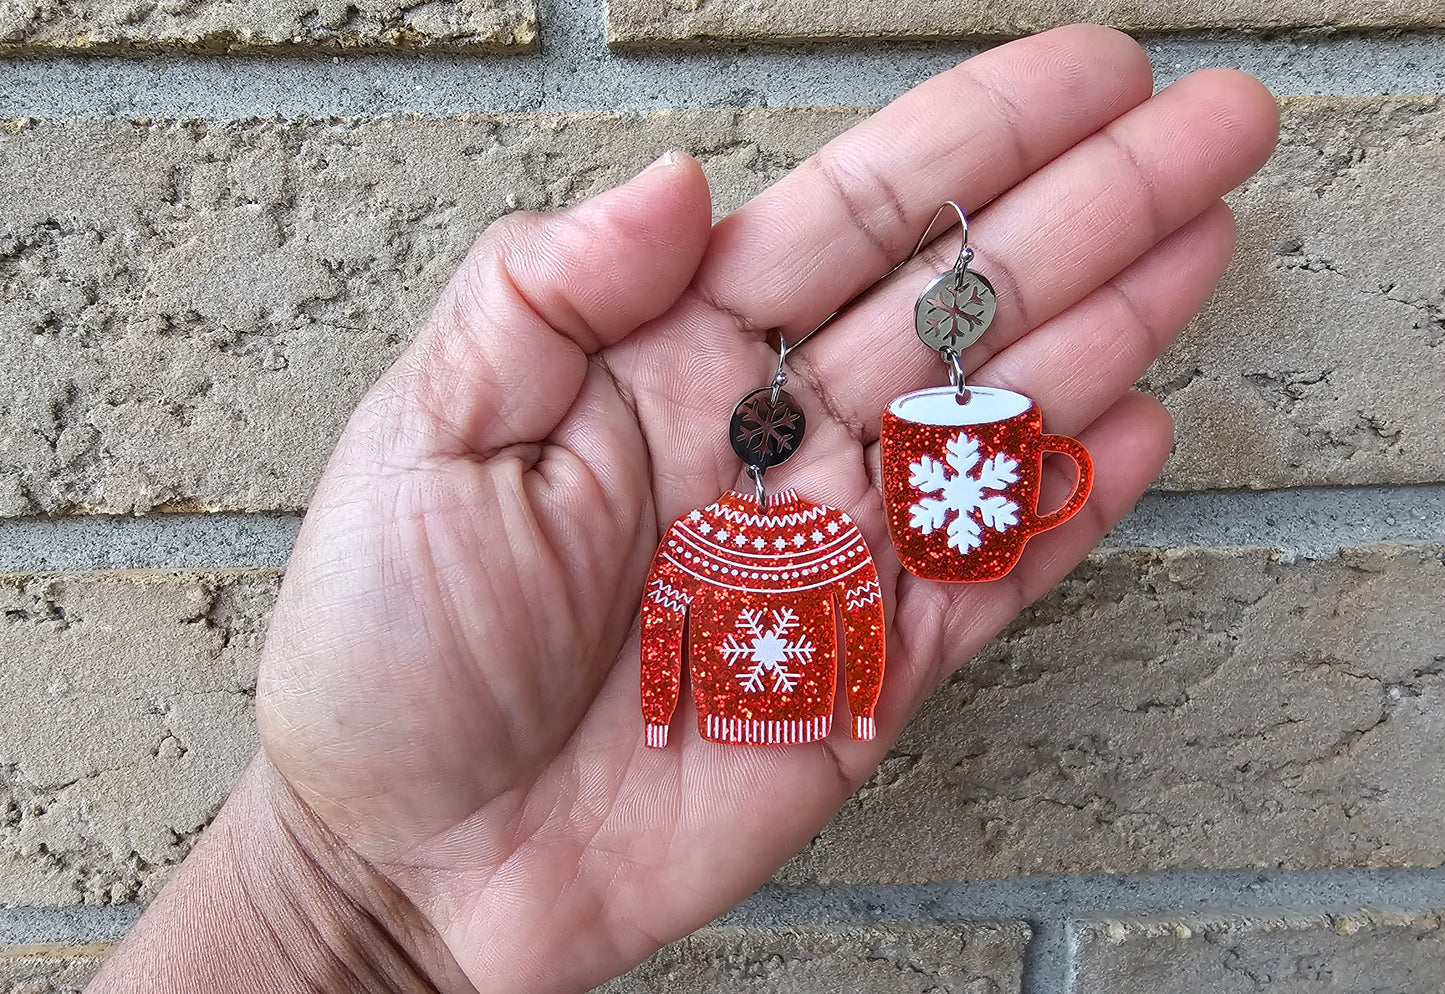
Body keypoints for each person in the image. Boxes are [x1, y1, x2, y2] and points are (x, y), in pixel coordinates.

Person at [83, 24, 1279, 994]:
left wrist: (348, 898)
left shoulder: (754, 543)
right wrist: (343, 876)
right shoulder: (748, 542)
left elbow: (734, 642)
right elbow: (756, 644)